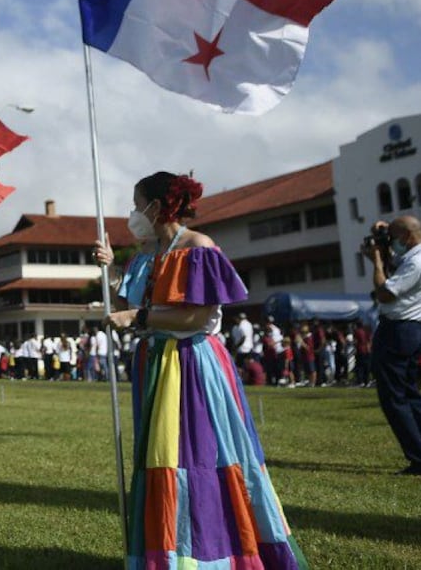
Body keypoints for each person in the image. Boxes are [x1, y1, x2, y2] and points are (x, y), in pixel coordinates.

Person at [97, 171, 306, 567]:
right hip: (158, 364)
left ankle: (212, 553)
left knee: (199, 455)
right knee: (163, 457)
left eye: (137, 202)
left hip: (191, 365)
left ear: (156, 206)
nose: (133, 212)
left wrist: (138, 316)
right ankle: (166, 549)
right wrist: (110, 271)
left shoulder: (198, 247)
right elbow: (133, 303)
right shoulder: (147, 254)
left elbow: (195, 317)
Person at [364, 216, 421, 476]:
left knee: (394, 399)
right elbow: (398, 270)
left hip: (398, 330)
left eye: (393, 237)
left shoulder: (416, 263)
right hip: (415, 330)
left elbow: (384, 292)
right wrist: (381, 251)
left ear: (405, 237)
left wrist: (378, 262)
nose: (391, 243)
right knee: (411, 396)